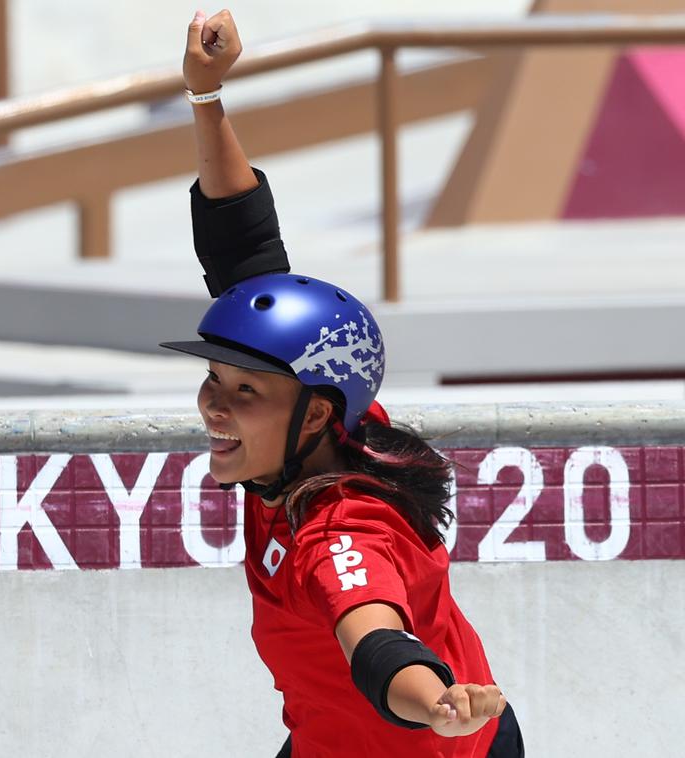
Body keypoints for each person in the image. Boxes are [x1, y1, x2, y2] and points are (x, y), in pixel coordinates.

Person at [159, 10, 525, 757]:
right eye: (212, 380)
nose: (213, 406)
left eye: (244, 393)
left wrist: (437, 703)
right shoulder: (336, 424)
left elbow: (375, 638)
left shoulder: (339, 532)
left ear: (315, 413)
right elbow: (245, 245)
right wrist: (205, 94)